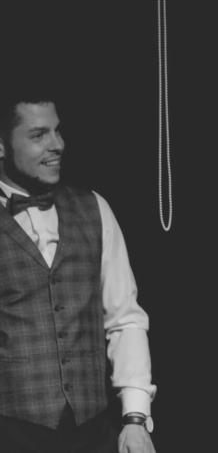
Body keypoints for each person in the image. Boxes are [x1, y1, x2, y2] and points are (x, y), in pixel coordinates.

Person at [0, 81, 156, 453]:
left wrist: (135, 418)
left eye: (57, 130)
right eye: (39, 135)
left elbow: (125, 319)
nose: (57, 145)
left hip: (92, 432)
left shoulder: (93, 208)